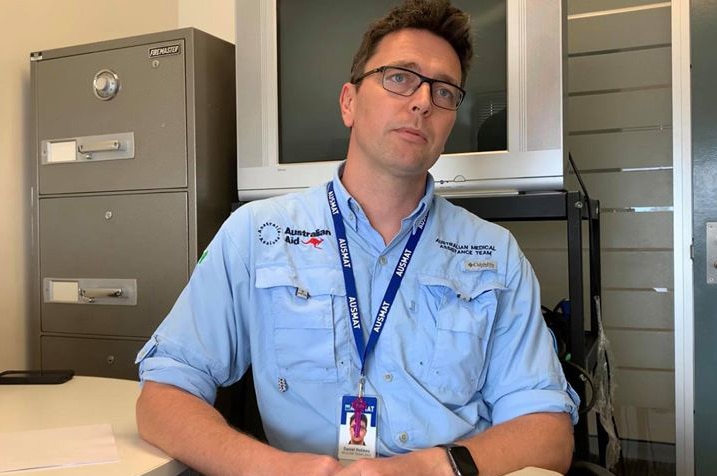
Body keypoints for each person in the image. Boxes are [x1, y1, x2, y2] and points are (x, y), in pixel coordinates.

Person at [135, 1, 580, 475]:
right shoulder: (258, 234)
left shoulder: (494, 254)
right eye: (399, 77)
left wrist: (427, 469)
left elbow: (547, 430)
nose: (423, 101)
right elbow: (163, 395)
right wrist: (274, 469)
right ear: (349, 102)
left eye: (444, 91)